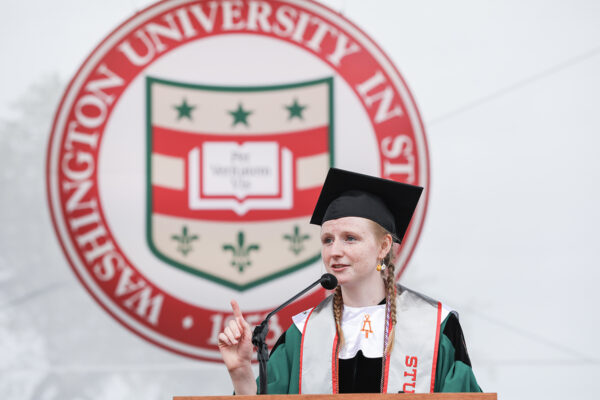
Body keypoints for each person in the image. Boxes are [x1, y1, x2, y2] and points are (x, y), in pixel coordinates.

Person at [218, 168, 481, 394]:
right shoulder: (303, 334)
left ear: (383, 246)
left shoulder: (434, 327)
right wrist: (240, 371)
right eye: (327, 240)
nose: (334, 251)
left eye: (350, 238)